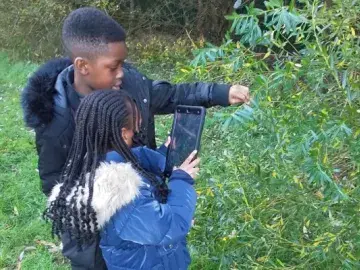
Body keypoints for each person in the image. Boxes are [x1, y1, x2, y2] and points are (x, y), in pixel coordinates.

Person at [21, 6, 250, 269]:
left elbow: (171, 96)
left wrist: (220, 93)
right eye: (113, 66)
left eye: (123, 63)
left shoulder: (129, 83)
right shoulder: (54, 121)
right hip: (96, 240)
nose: (121, 72)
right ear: (83, 66)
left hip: (145, 218)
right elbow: (55, 183)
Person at [47, 90, 199, 270]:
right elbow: (169, 227)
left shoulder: (92, 162)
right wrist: (181, 180)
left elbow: (133, 160)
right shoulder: (121, 193)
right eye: (135, 124)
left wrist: (163, 155)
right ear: (123, 134)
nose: (138, 125)